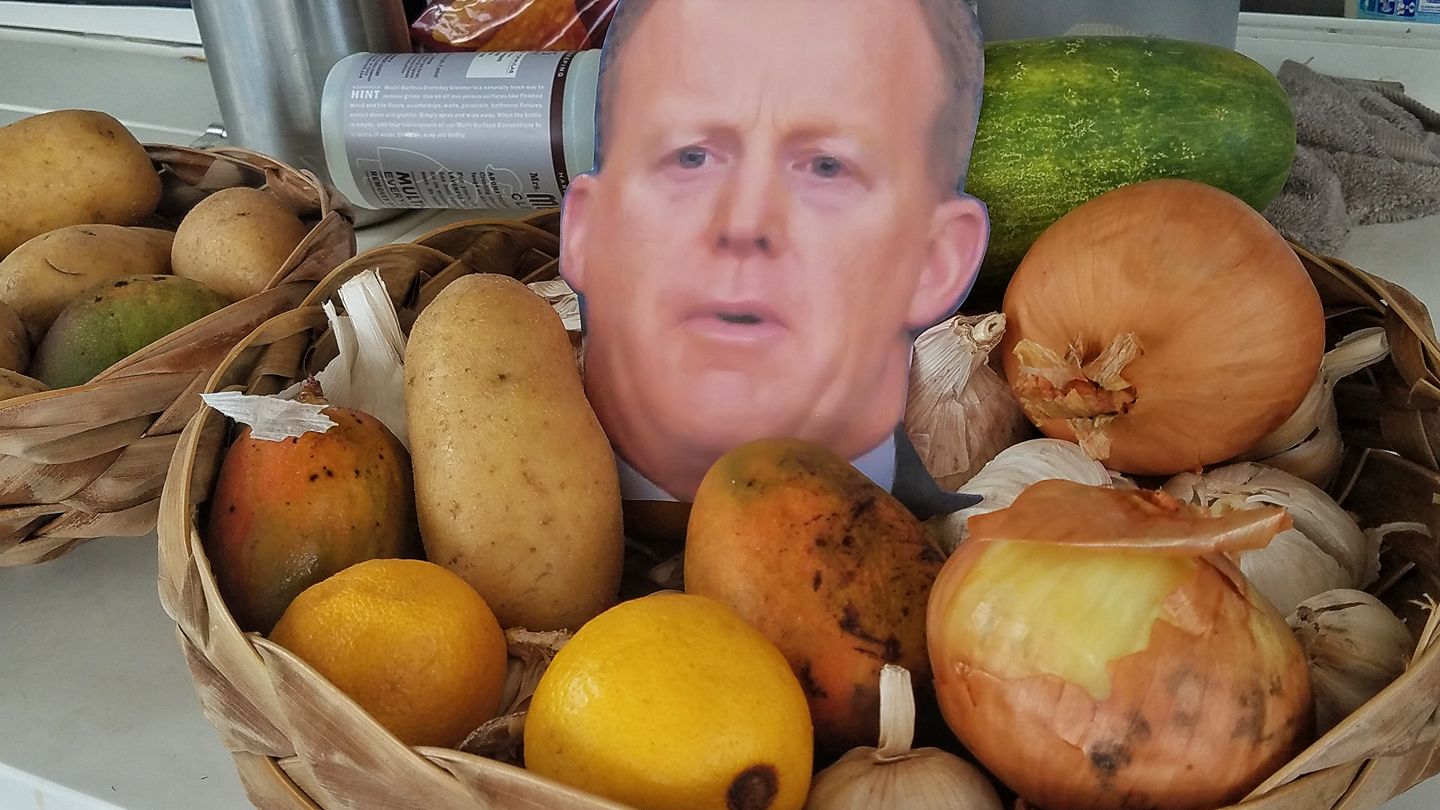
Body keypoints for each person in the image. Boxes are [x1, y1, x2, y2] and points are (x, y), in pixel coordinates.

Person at [558, 0, 990, 518]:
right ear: (585, 231)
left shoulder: (978, 547)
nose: (744, 222)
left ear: (936, 261)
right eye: (691, 156)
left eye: (826, 167)